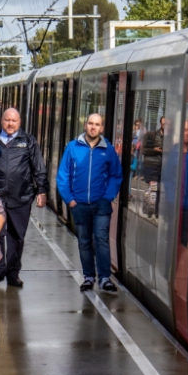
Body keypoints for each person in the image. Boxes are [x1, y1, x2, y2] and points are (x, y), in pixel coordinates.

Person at [56, 113, 123, 292]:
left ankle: (104, 278)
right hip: (78, 205)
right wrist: (69, 200)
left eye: (97, 124)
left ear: (101, 128)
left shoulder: (108, 150)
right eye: (91, 123)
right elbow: (63, 175)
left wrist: (108, 197)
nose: (93, 127)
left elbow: (116, 175)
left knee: (101, 239)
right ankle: (88, 276)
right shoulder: (72, 147)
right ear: (85, 125)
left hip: (101, 204)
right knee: (84, 241)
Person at [0, 107, 48, 287]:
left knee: (17, 237)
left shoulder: (28, 141)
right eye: (7, 120)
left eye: (14, 120)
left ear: (19, 122)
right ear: (1, 121)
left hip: (20, 197)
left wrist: (41, 190)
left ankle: (13, 272)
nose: (10, 123)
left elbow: (38, 167)